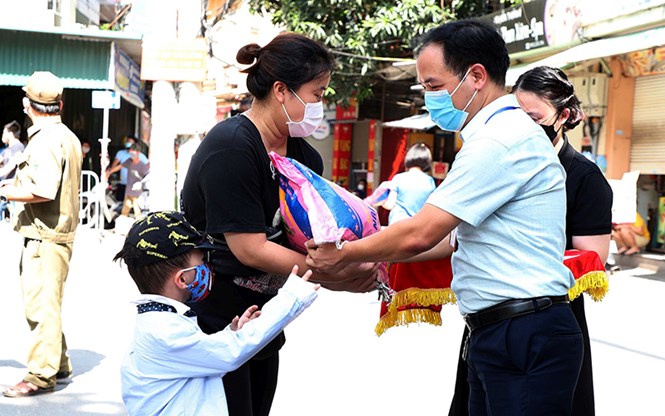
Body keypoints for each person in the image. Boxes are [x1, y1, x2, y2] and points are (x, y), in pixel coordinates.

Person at [306, 20, 583, 415]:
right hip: (504, 331)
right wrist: (375, 255)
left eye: (434, 86)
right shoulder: (493, 135)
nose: (428, 98)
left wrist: (344, 252)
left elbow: (421, 233)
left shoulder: (499, 140)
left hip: (524, 332)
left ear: (476, 76)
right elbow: (449, 239)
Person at [180, 33, 377, 416]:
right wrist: (335, 271)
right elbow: (249, 248)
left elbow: (304, 245)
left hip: (265, 321)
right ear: (282, 91)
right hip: (215, 322)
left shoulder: (304, 158)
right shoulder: (232, 146)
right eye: (317, 94)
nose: (321, 105)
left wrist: (342, 272)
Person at [448, 65, 614, 416]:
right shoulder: (498, 156)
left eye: (534, 118)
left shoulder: (584, 176)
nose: (523, 127)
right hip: (490, 314)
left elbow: (592, 258)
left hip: (543, 315)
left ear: (563, 116)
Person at [113, 211, 319, 416]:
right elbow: (230, 353)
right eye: (202, 261)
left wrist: (233, 333)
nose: (207, 267)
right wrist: (291, 298)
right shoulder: (164, 332)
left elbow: (204, 352)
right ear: (182, 279)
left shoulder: (161, 322)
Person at [0, 71, 82, 397]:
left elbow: (44, 190)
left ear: (26, 104)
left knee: (40, 309)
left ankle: (40, 375)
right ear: (59, 105)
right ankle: (58, 365)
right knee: (49, 304)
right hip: (54, 235)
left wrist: (6, 190)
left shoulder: (45, 140)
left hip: (45, 237)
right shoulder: (66, 136)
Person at [383, 142, 436, 224]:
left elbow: (390, 204)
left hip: (398, 223)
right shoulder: (430, 181)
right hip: (419, 224)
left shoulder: (398, 178)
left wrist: (380, 201)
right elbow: (432, 207)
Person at [106, 143, 149, 218]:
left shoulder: (142, 166)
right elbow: (120, 166)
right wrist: (109, 172)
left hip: (138, 194)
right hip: (128, 192)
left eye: (133, 152)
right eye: (130, 152)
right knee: (124, 212)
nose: (131, 154)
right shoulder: (129, 161)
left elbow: (146, 177)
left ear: (138, 153)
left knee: (138, 214)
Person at [108, 135, 148, 202]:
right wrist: (109, 172)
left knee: (136, 204)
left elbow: (148, 169)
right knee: (123, 202)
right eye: (127, 141)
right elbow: (118, 166)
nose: (128, 143)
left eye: (130, 142)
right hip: (125, 184)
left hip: (137, 187)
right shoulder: (126, 158)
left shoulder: (141, 158)